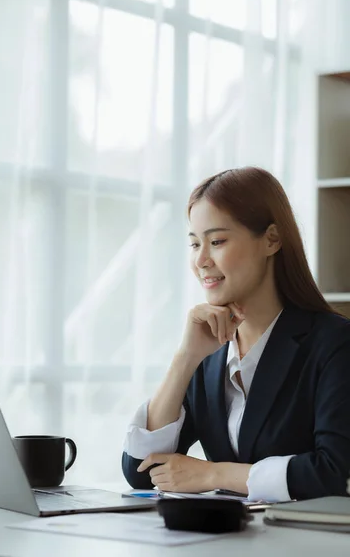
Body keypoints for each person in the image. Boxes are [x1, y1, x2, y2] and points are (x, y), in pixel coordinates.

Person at [121, 166, 350, 502]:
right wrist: (185, 359)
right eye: (194, 243)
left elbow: (333, 471)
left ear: (271, 240)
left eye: (216, 241)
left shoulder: (334, 343)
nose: (201, 260)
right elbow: (140, 471)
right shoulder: (209, 350)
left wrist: (214, 474)